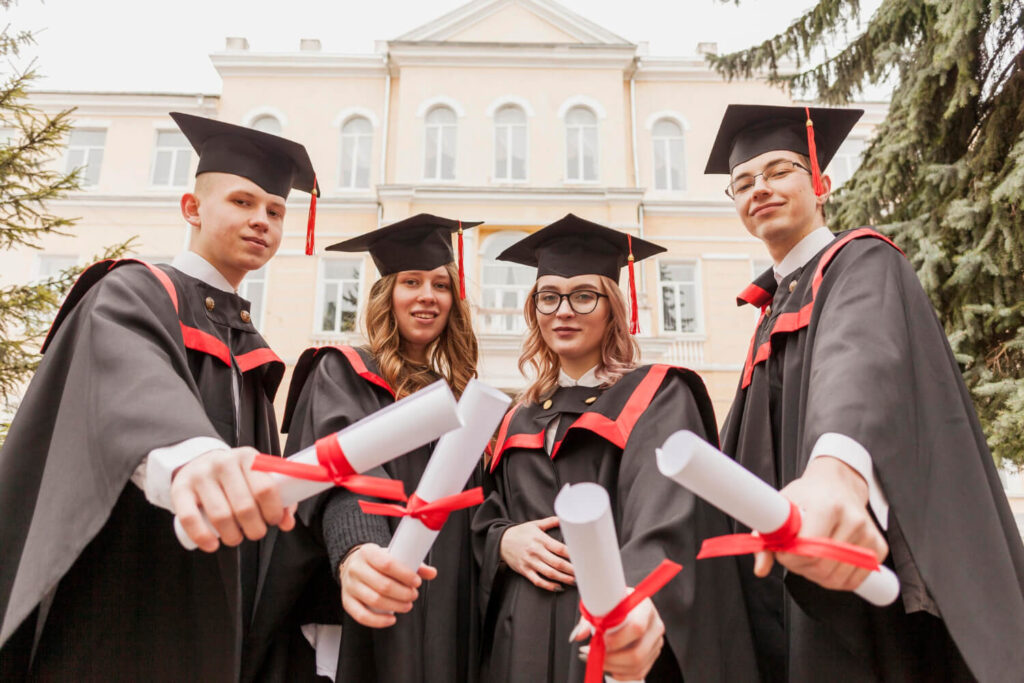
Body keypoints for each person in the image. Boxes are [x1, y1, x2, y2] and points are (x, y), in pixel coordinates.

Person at [707, 103, 1024, 682]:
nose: (760, 188)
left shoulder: (859, 259)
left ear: (820, 182)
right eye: (744, 182)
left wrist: (835, 472)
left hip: (862, 577)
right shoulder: (770, 306)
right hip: (783, 586)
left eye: (779, 170)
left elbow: (860, 360)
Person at [0, 112, 318, 680]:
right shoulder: (136, 288)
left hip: (219, 621)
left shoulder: (247, 341)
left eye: (275, 211)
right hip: (128, 607)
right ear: (192, 208)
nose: (262, 221)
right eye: (242, 202)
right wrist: (190, 456)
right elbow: (127, 383)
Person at [471, 213, 758, 683]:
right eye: (549, 297)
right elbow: (482, 516)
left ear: (613, 309)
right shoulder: (516, 417)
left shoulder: (656, 395)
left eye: (584, 296)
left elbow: (667, 517)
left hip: (614, 630)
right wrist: (503, 540)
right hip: (516, 641)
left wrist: (628, 609)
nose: (563, 310)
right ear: (534, 310)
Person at [246, 214, 483, 683]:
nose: (427, 296)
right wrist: (359, 549)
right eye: (411, 282)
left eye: (440, 284)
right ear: (387, 295)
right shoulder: (343, 371)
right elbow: (335, 482)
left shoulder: (459, 396)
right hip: (367, 587)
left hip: (445, 605)